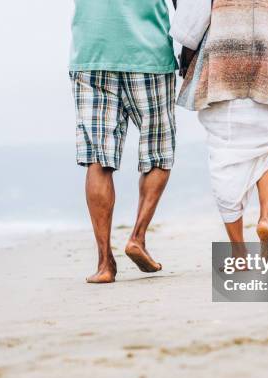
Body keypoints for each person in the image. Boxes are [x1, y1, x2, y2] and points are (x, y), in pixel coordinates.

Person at [170, 0, 268, 253]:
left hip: (225, 54)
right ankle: (266, 219)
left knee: (224, 152)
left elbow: (195, 10)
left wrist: (188, 45)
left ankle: (238, 250)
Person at [69, 0, 178, 283]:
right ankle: (137, 237)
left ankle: (105, 263)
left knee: (98, 158)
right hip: (148, 53)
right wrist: (191, 48)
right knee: (159, 151)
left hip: (92, 55)